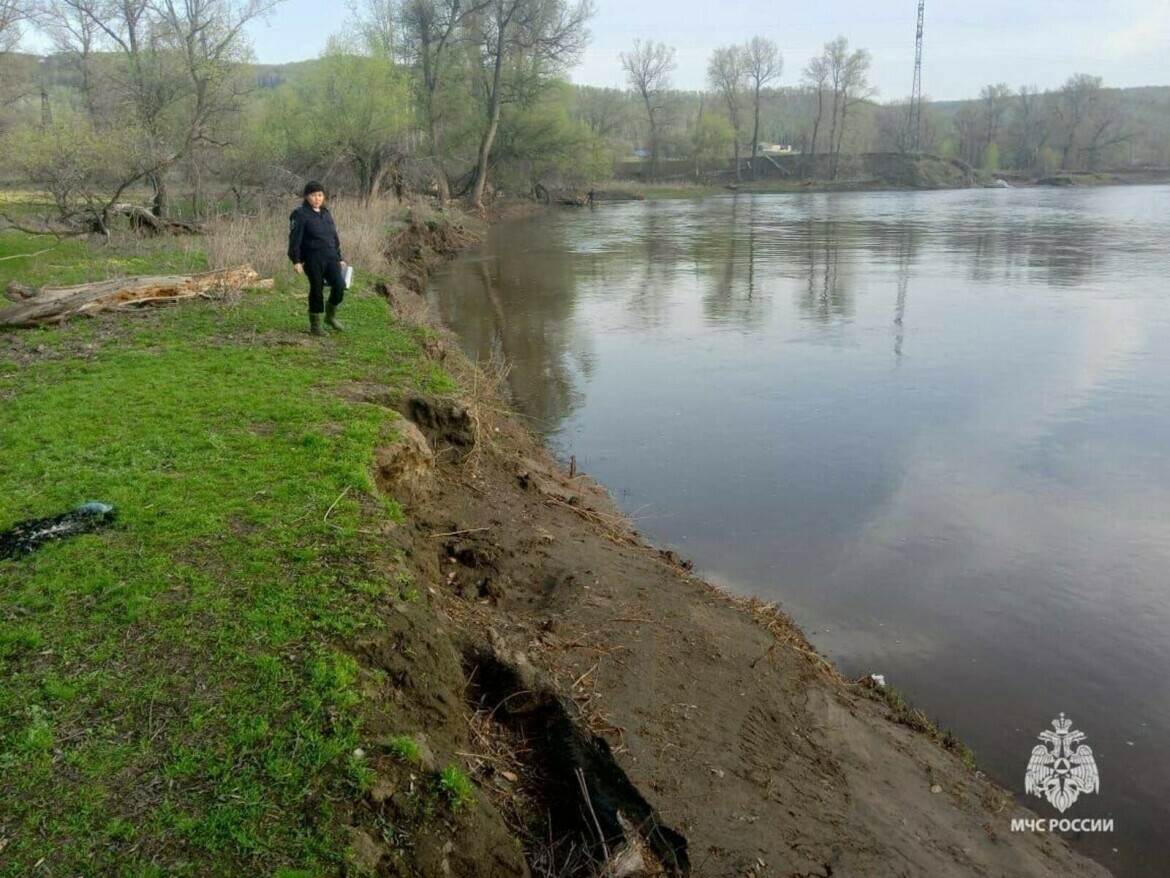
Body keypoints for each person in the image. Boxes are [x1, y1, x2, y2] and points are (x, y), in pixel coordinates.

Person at [287, 181, 348, 336]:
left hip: (331, 257)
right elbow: (295, 239)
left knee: (339, 286)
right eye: (313, 195)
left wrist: (339, 257)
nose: (317, 198)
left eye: (320, 195)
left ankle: (330, 317)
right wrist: (296, 260)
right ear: (307, 197)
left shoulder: (326, 213)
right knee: (317, 289)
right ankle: (315, 326)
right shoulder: (300, 214)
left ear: (324, 196)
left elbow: (333, 236)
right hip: (312, 258)